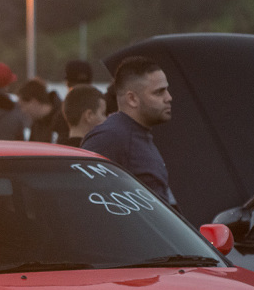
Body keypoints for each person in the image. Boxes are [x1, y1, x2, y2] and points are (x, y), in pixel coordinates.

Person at [81, 55, 177, 206]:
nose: (169, 97)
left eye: (167, 90)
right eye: (159, 92)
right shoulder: (110, 137)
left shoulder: (135, 134)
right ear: (132, 99)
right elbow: (86, 199)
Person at [16, 78, 60, 143]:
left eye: (23, 106)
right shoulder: (36, 125)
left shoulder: (63, 119)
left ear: (34, 102)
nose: (23, 111)